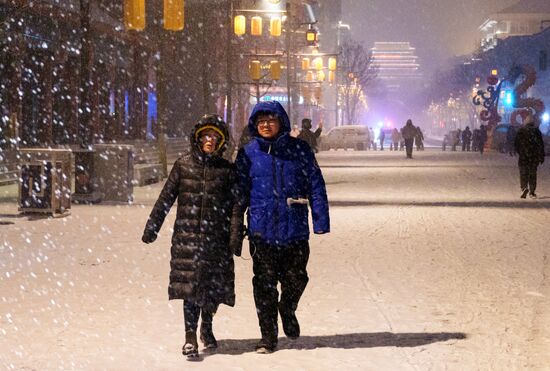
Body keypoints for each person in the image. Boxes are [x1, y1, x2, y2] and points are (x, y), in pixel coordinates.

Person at [234, 101, 330, 354]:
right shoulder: (247, 153)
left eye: (271, 120)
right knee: (264, 286)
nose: (266, 125)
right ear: (255, 125)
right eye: (261, 121)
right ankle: (268, 336)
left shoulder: (300, 150)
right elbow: (239, 194)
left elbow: (316, 186)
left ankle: (287, 308)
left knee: (297, 278)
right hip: (261, 232)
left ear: (281, 123)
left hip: (294, 229)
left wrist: (320, 220)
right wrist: (234, 229)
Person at [142, 114, 240, 359]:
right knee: (191, 288)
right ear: (198, 138)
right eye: (206, 136)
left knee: (212, 288)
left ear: (221, 142)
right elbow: (165, 198)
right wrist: (152, 227)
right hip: (188, 240)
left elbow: (237, 206)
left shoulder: (227, 170)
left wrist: (235, 236)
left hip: (217, 239)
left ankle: (206, 326)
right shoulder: (183, 165)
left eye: (215, 137)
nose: (210, 140)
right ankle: (189, 336)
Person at [514, 113, 545, 199]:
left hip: (524, 156)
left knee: (523, 173)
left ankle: (524, 188)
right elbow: (541, 144)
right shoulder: (537, 131)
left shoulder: (521, 131)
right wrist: (541, 156)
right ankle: (532, 191)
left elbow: (516, 144)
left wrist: (520, 151)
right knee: (532, 174)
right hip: (534, 157)